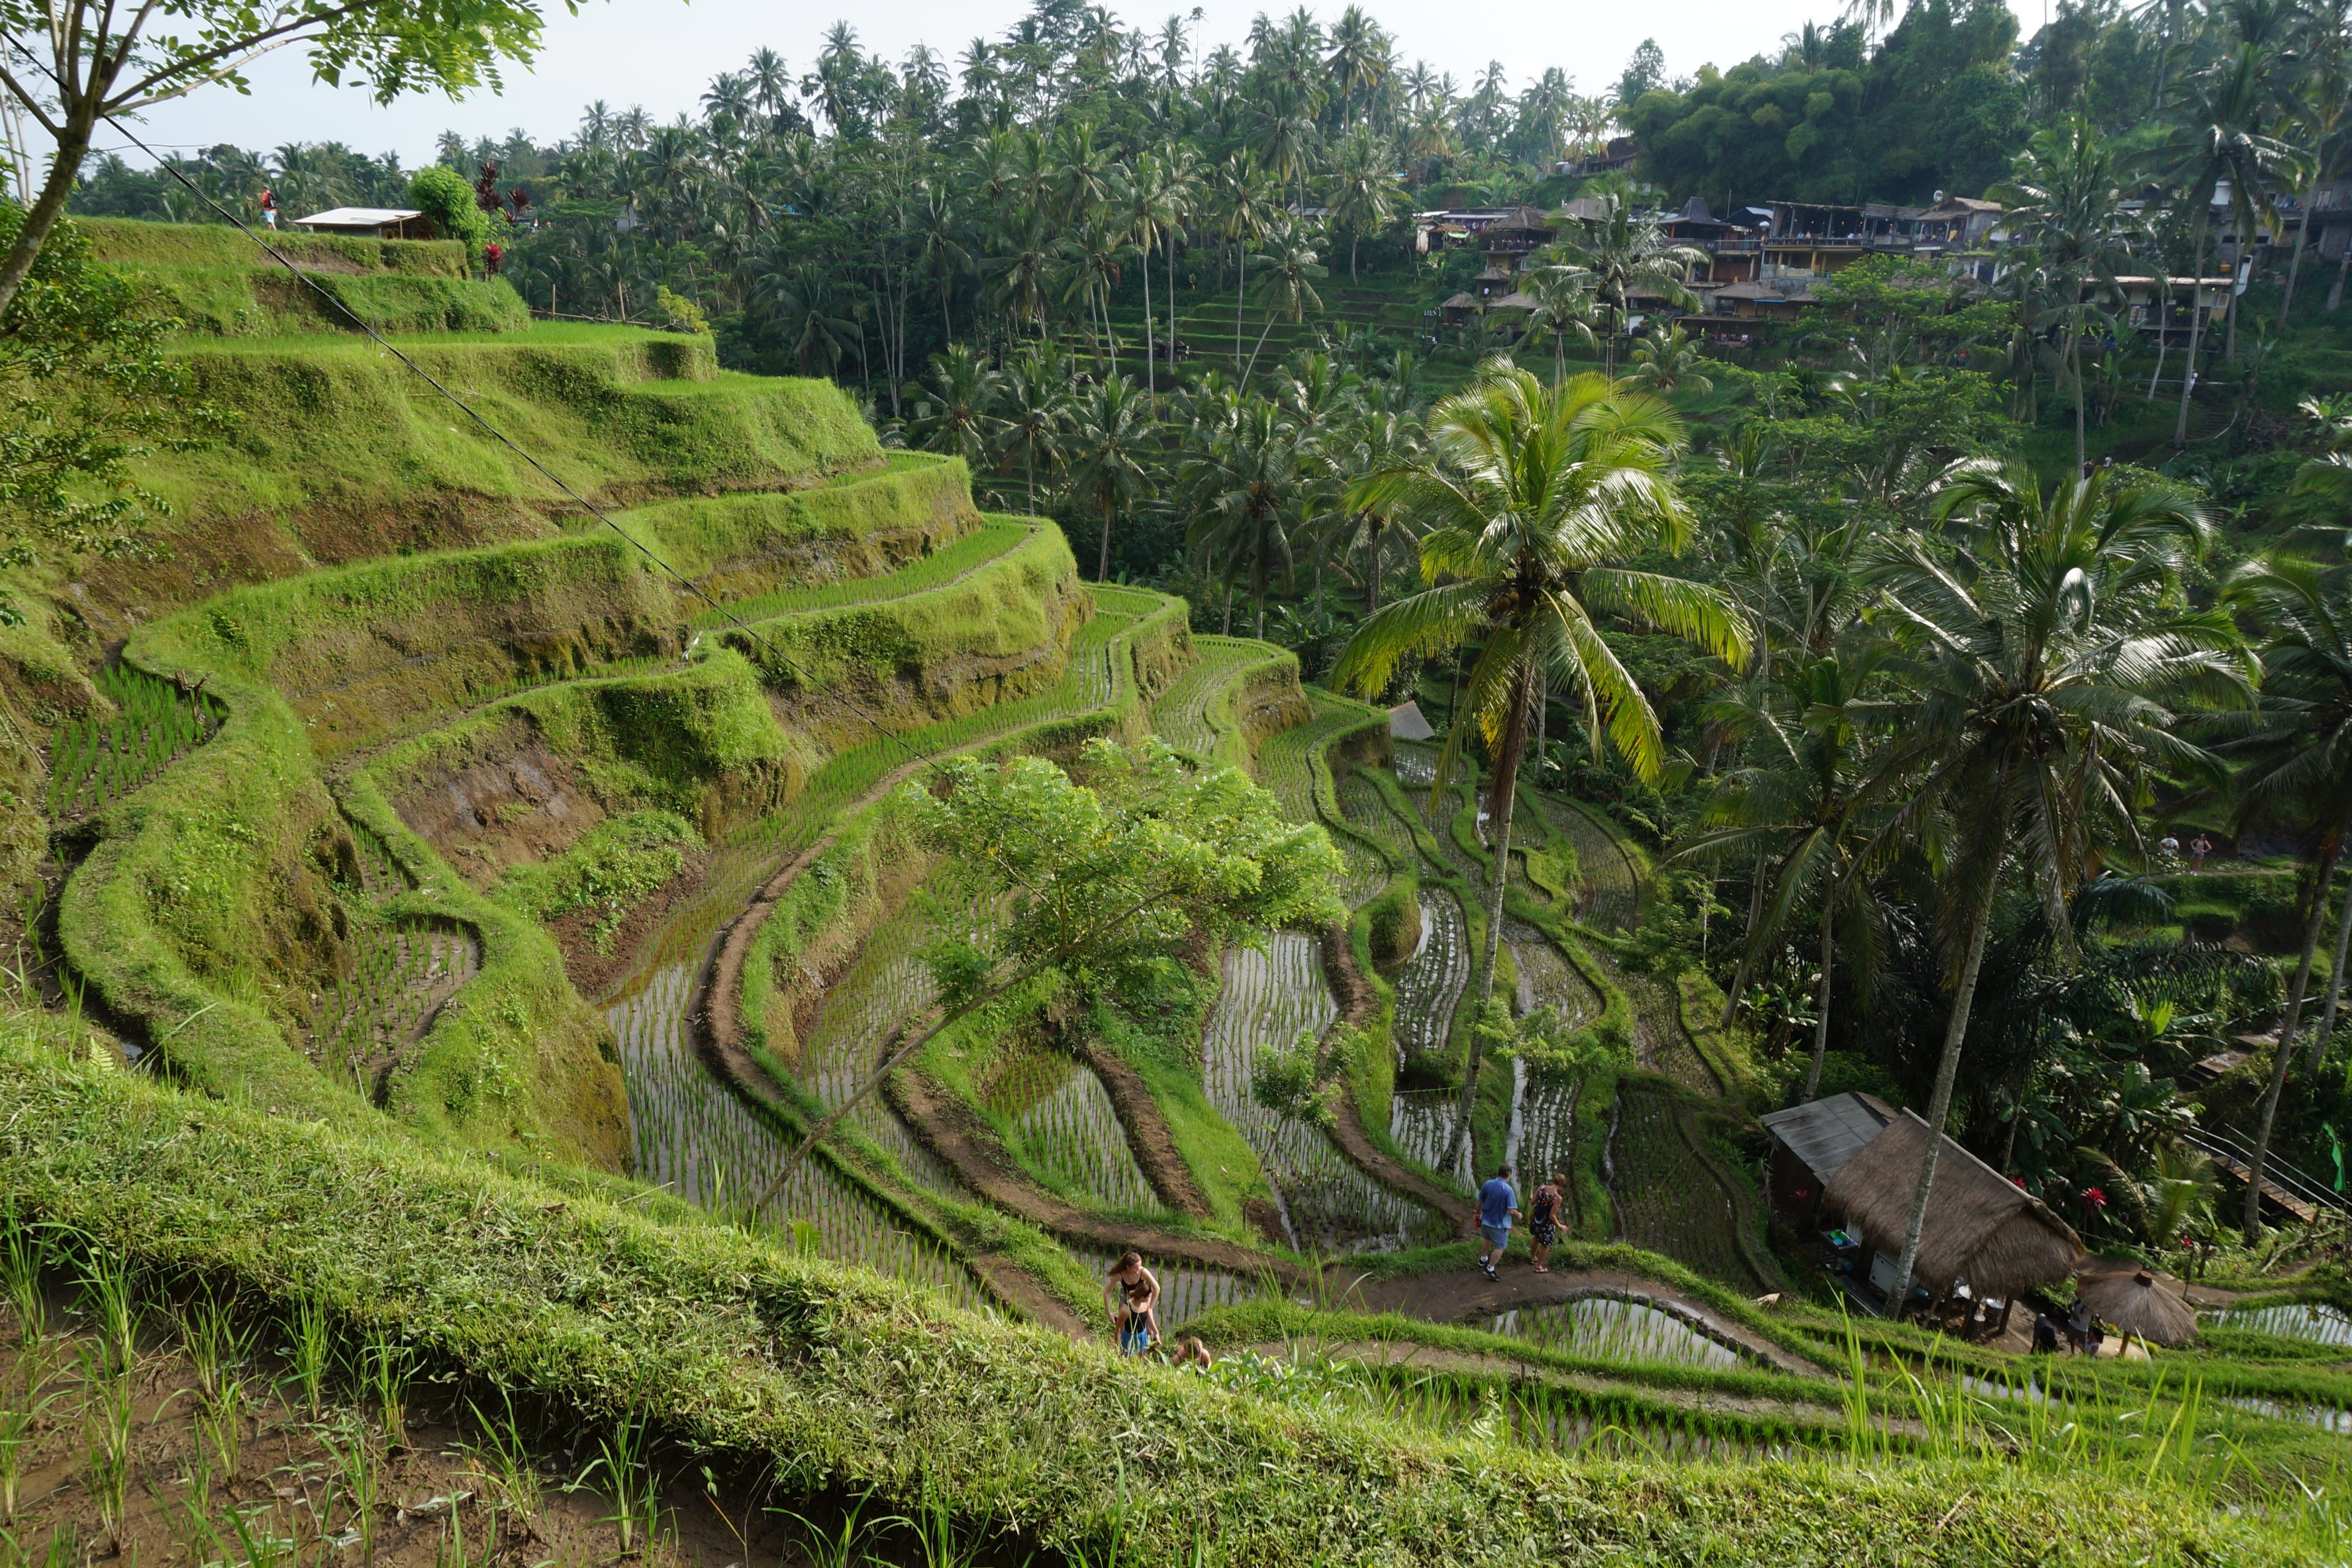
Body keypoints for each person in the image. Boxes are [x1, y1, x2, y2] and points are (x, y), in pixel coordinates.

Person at [1104, 1251, 1160, 1355]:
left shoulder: (1143, 1272)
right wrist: (1109, 1314)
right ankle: (1121, 1347)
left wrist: (1151, 1307)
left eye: (1139, 1266)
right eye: (1135, 1268)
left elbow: (1156, 1288)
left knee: (1149, 1331)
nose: (1138, 1269)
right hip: (1126, 1298)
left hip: (1143, 1299)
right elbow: (1107, 1292)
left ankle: (1144, 1346)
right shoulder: (1120, 1275)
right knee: (1124, 1327)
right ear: (1128, 1267)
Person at [1476, 1163, 1520, 1281]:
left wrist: (1477, 1213)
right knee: (1500, 1246)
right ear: (1508, 1175)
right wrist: (1518, 1215)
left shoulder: (1488, 1184)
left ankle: (1483, 1258)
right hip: (1499, 1224)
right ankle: (1490, 1268)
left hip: (1485, 1219)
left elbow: (1479, 1200)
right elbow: (1511, 1211)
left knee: (1487, 1239)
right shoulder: (1508, 1190)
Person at [1527, 1171, 1565, 1274]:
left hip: (1536, 1220)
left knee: (1536, 1237)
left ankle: (1533, 1258)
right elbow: (1552, 1216)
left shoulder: (1542, 1187)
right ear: (1561, 1185)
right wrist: (1560, 1226)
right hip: (1546, 1224)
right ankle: (1538, 1266)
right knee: (1547, 1245)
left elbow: (1532, 1202)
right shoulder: (1557, 1198)